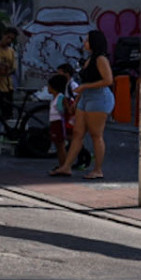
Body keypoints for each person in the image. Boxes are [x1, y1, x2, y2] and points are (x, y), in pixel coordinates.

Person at [53, 29, 115, 178]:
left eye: (87, 40)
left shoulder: (100, 59)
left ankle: (98, 169)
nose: (84, 43)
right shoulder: (89, 58)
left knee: (95, 134)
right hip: (85, 97)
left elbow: (108, 80)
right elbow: (85, 81)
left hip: (98, 97)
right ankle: (66, 166)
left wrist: (85, 88)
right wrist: (78, 99)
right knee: (77, 133)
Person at [0, 27, 18, 123]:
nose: (9, 41)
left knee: (8, 115)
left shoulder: (11, 51)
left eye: (12, 39)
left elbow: (14, 68)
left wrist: (7, 71)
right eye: (8, 37)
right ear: (3, 35)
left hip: (7, 87)